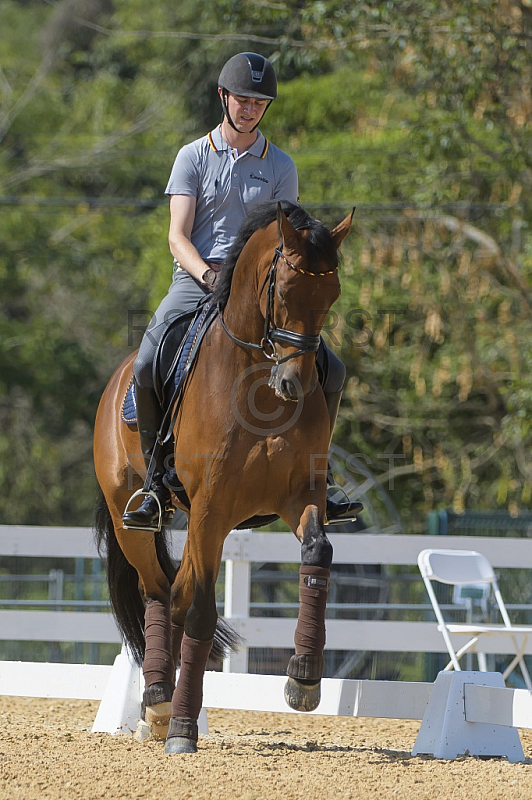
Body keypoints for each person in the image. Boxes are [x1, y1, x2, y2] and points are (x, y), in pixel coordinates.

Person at [122, 52, 361, 531]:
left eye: (259, 102)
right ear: (223, 98)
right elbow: (177, 236)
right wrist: (207, 277)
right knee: (148, 360)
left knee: (331, 368)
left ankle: (320, 475)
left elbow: (287, 235)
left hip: (258, 290)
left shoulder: (280, 165)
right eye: (243, 100)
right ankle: (152, 483)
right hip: (198, 280)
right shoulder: (193, 156)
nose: (251, 109)